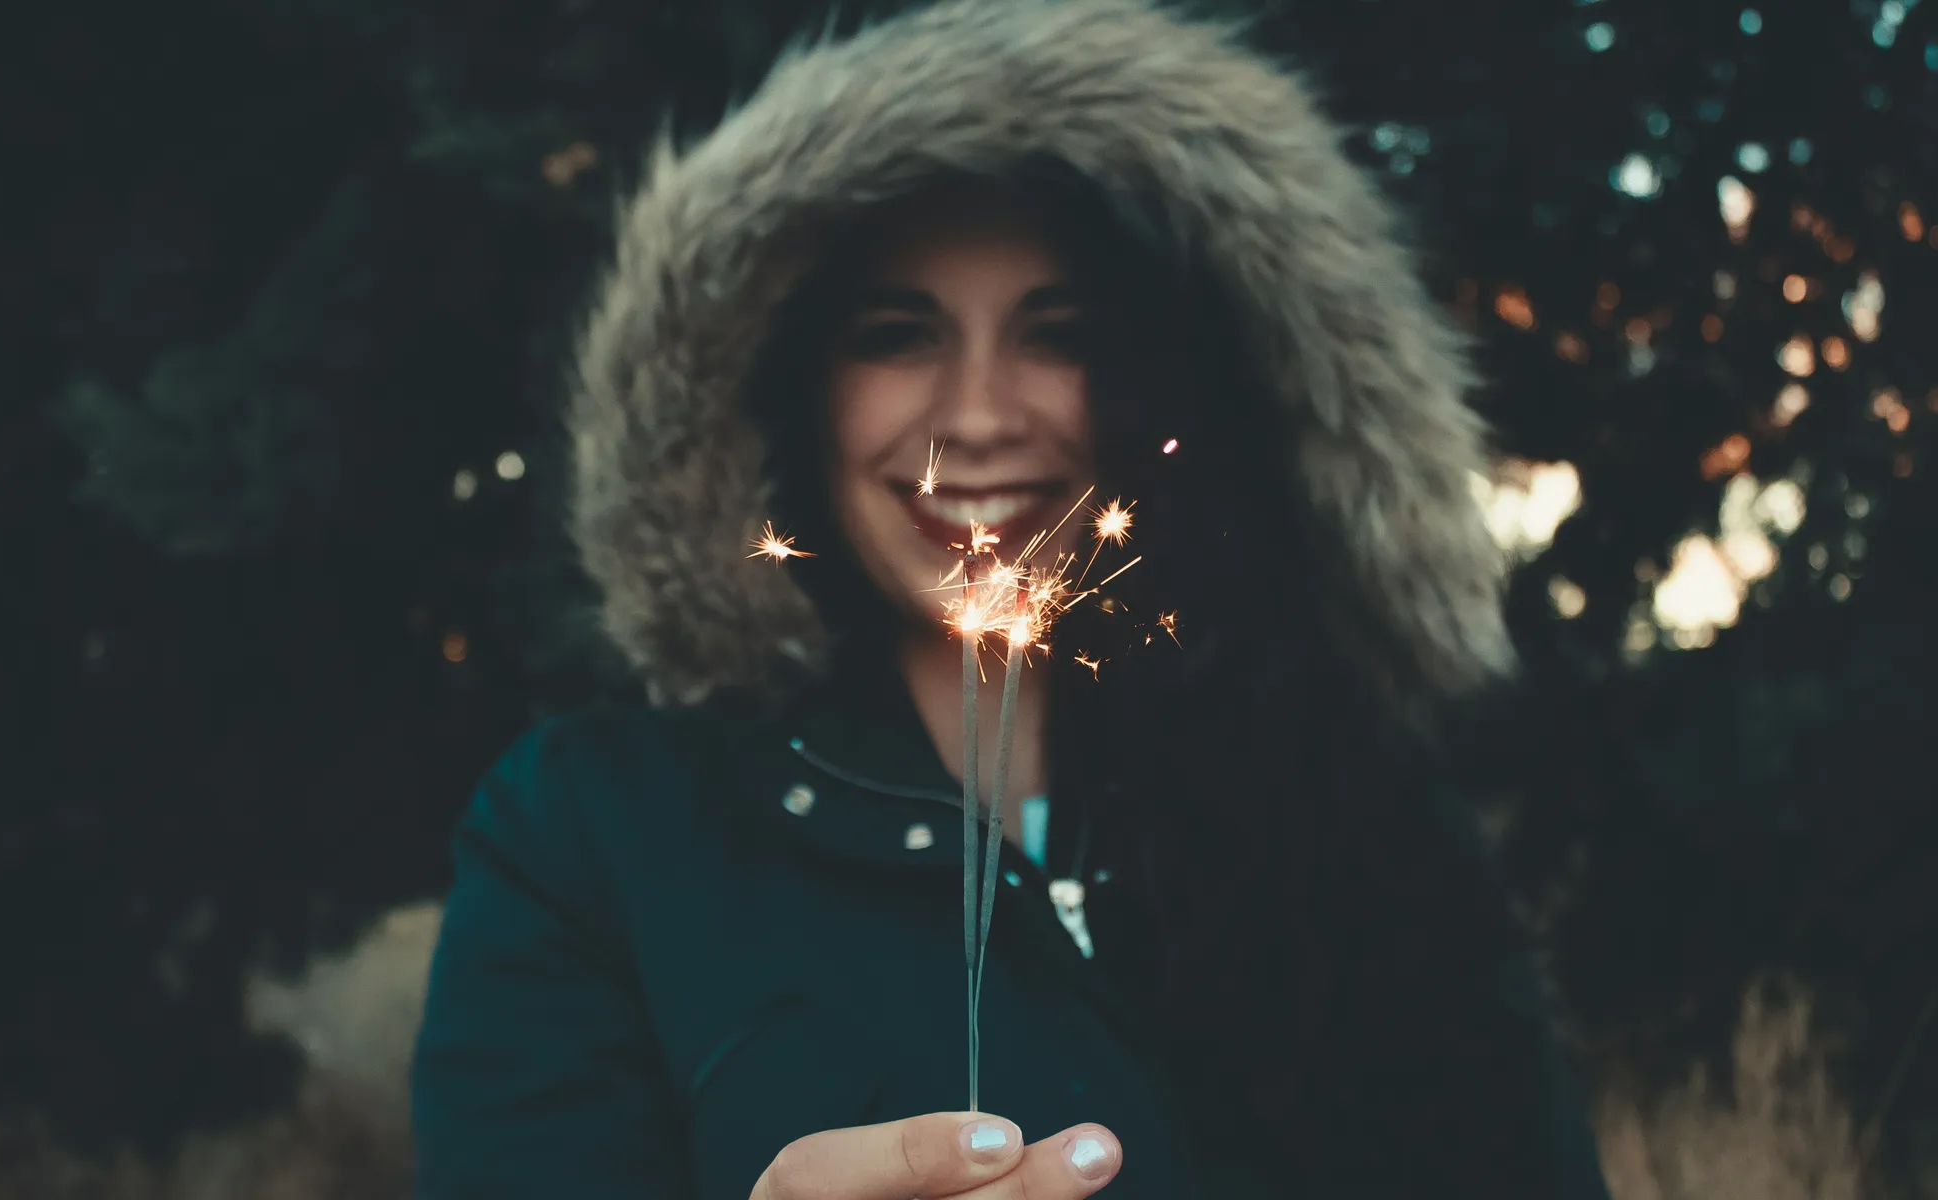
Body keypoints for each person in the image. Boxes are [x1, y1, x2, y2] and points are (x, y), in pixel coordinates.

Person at [411, 0, 1610, 1196]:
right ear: (785, 388)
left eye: (1061, 334)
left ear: (1169, 388)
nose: (979, 420)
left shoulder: (1372, 823)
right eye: (897, 334)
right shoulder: (596, 831)